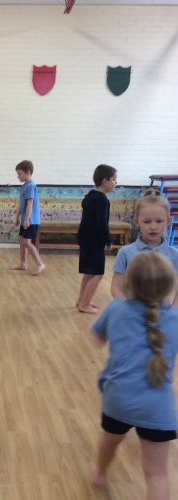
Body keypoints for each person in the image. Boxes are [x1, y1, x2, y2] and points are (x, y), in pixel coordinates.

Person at [90, 252, 178, 499]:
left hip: (119, 397)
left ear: (128, 282)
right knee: (157, 474)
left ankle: (99, 472)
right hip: (159, 408)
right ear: (169, 285)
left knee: (110, 440)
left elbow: (97, 338)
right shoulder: (175, 318)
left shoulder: (117, 308)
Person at [111, 189, 178, 305]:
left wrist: (173, 311)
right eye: (147, 222)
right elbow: (115, 288)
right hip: (132, 312)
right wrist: (130, 308)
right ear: (137, 221)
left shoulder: (175, 255)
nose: (153, 227)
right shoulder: (125, 252)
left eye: (159, 221)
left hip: (162, 313)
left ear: (168, 221)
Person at [76, 164, 117, 314]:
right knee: (98, 274)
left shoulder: (91, 197)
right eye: (114, 180)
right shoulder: (102, 200)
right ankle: (84, 304)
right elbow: (101, 223)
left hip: (86, 239)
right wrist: (108, 239)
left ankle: (81, 300)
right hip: (94, 241)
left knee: (89, 272)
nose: (116, 183)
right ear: (105, 181)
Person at [12, 160, 45, 276]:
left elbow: (30, 204)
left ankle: (40, 263)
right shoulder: (24, 187)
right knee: (21, 240)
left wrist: (26, 220)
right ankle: (23, 263)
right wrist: (17, 217)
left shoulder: (31, 186)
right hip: (25, 220)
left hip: (31, 220)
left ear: (27, 173)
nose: (18, 176)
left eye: (19, 174)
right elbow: (21, 204)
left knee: (26, 242)